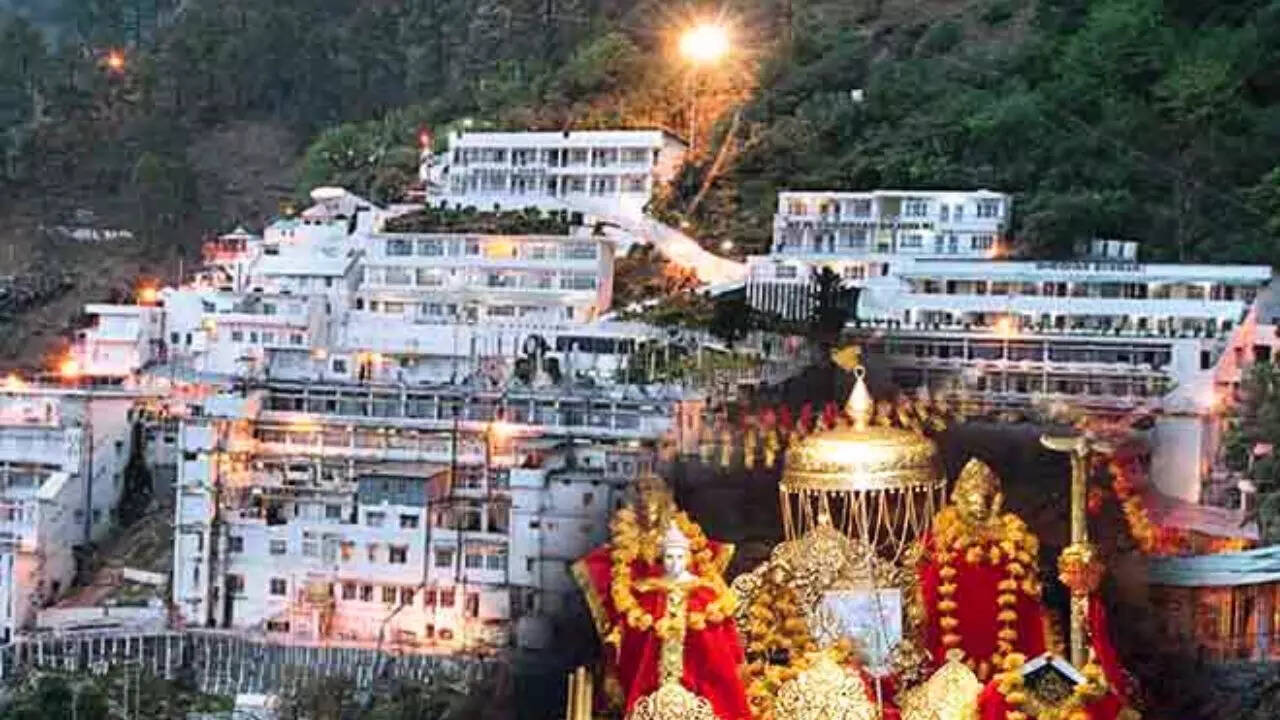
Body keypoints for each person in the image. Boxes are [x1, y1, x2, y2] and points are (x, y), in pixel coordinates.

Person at [918, 458, 1050, 681]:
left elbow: (1032, 620)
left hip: (1012, 676)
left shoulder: (1015, 548)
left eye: (984, 498)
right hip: (946, 676)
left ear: (996, 500)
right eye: (972, 497)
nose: (978, 505)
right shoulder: (939, 544)